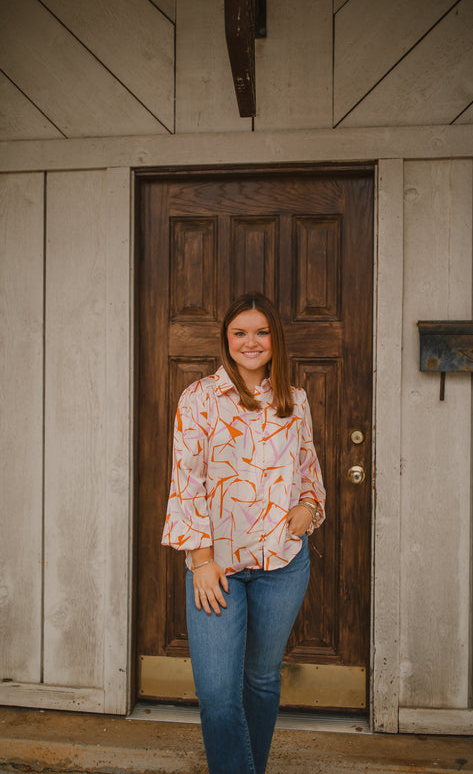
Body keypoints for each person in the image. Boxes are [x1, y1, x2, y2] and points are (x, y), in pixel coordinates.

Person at [162, 292, 325, 774]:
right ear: (226, 339)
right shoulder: (199, 398)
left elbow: (309, 467)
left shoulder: (294, 398)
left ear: (275, 337)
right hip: (218, 569)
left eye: (261, 332)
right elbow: (185, 481)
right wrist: (200, 561)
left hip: (283, 563)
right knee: (216, 692)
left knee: (260, 680)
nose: (250, 342)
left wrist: (309, 508)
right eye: (240, 333)